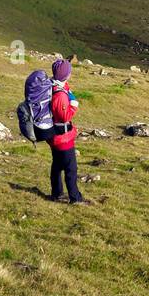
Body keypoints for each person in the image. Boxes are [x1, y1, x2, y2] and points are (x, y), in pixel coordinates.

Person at [47, 57, 89, 205]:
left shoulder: (53, 85)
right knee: (71, 168)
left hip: (54, 136)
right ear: (65, 74)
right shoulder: (59, 95)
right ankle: (75, 198)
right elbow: (64, 116)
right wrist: (74, 105)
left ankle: (57, 193)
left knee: (57, 164)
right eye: (69, 72)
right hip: (62, 137)